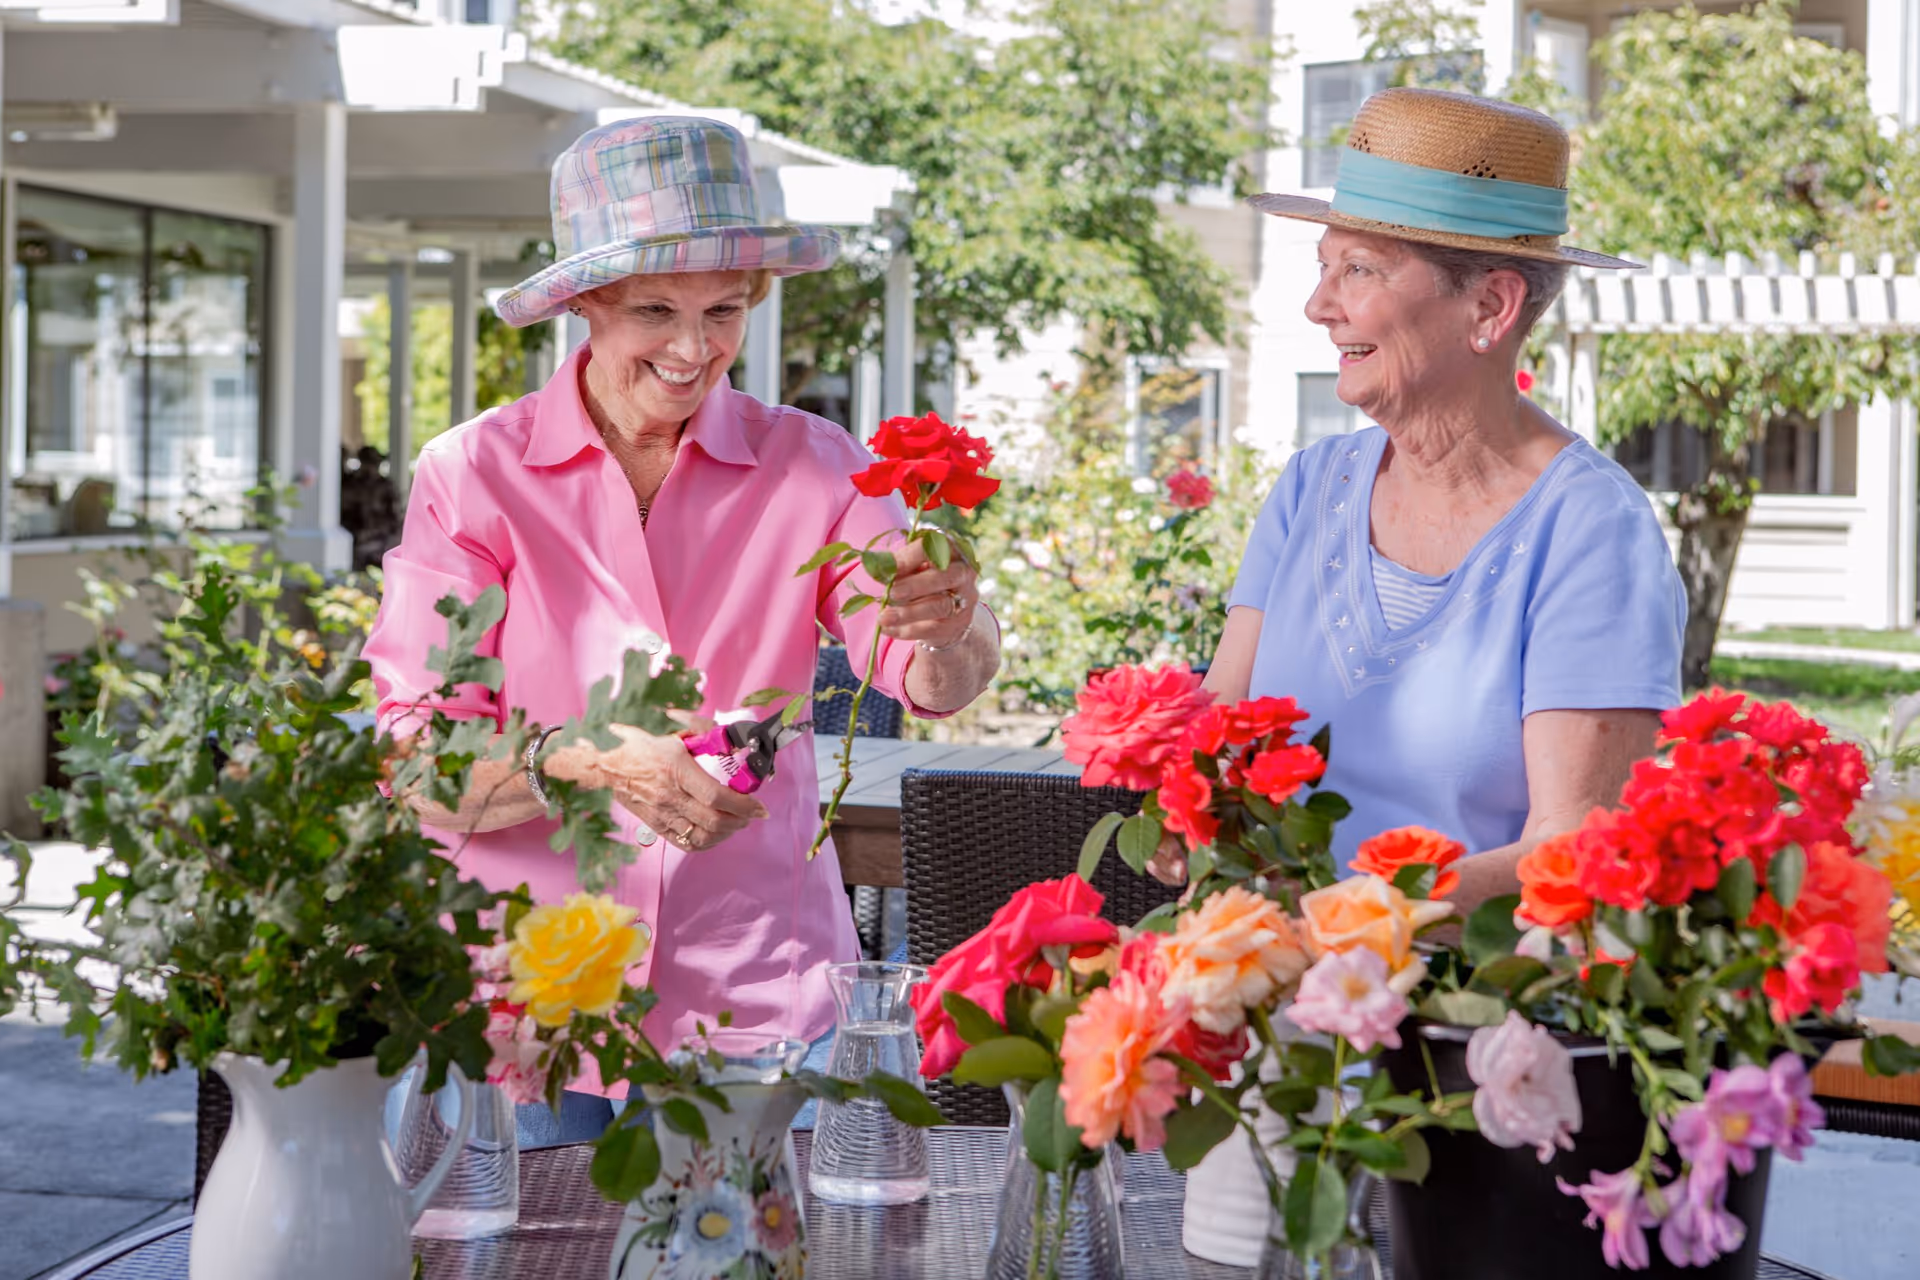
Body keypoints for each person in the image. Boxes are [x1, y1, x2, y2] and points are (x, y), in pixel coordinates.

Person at [362, 117, 999, 1141]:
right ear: (585, 304)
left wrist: (956, 622)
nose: (694, 348)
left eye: (725, 310)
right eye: (656, 309)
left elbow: (924, 671)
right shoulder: (474, 474)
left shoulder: (815, 462)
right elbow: (413, 756)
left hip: (757, 999)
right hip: (525, 1005)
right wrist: (589, 755)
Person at [1152, 88, 1683, 911]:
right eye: (1323, 267)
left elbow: (1576, 850)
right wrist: (1179, 818)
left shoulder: (1591, 530)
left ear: (1491, 306)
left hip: (1463, 1013)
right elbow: (1214, 737)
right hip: (1266, 1000)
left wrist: (1343, 923)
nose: (1319, 306)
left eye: (1359, 270)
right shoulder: (1309, 489)